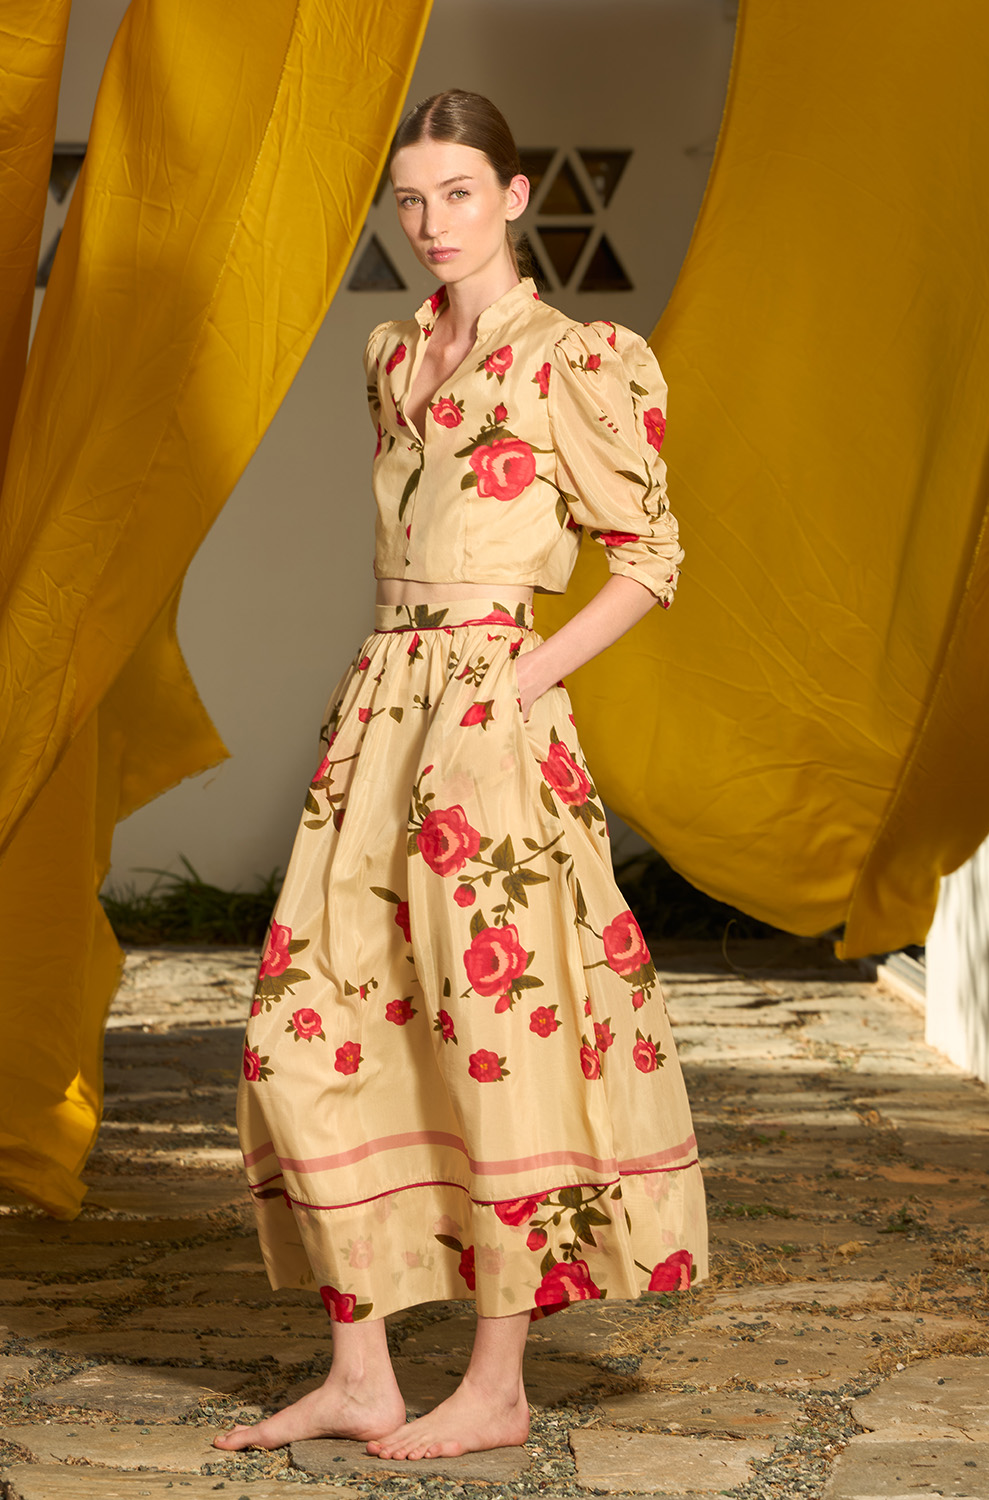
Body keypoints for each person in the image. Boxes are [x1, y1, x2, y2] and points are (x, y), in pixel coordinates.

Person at [214, 88, 707, 1464]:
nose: (432, 223)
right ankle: (362, 1376)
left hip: (493, 712)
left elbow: (651, 559)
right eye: (412, 200)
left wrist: (517, 685)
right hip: (382, 702)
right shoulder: (390, 353)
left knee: (496, 1035)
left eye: (458, 193)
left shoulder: (576, 359)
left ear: (515, 194)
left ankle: (496, 1386)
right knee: (314, 1025)